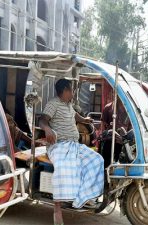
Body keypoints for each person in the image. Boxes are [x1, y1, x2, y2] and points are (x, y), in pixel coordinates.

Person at [39, 79, 104, 225]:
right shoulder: (53, 104)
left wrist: (85, 120)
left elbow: (74, 115)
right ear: (65, 91)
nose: (74, 93)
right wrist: (47, 128)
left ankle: (85, 196)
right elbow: (42, 120)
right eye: (72, 90)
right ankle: (57, 207)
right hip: (59, 145)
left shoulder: (69, 105)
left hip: (74, 145)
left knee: (97, 160)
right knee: (63, 168)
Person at [101, 100, 132, 168]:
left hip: (123, 143)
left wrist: (126, 138)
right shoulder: (108, 107)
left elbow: (131, 127)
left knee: (121, 164)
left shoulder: (130, 109)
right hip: (110, 141)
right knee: (106, 163)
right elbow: (103, 126)